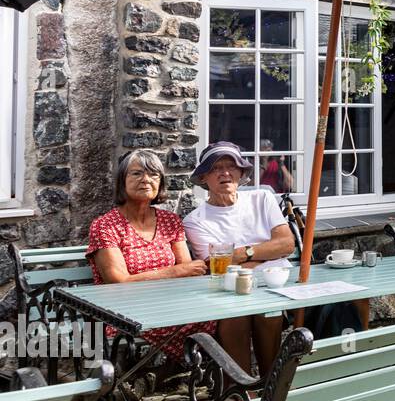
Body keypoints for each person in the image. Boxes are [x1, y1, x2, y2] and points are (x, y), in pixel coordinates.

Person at [86, 150, 213, 363]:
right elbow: (119, 282)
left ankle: (222, 382)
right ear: (122, 181)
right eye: (136, 174)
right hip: (124, 311)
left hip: (169, 304)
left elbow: (190, 271)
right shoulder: (105, 225)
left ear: (160, 183)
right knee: (205, 322)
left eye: (153, 175)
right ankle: (181, 374)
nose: (146, 180)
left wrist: (182, 272)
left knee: (222, 315)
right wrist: (174, 272)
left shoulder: (170, 221)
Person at [184, 141, 296, 374]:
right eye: (216, 168)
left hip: (273, 286)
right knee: (233, 318)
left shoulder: (262, 199)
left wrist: (242, 254)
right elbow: (216, 267)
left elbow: (287, 244)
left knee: (269, 312)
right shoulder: (196, 220)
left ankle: (270, 383)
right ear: (204, 177)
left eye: (232, 166)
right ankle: (241, 388)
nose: (225, 172)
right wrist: (268, 252)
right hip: (230, 291)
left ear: (242, 172)